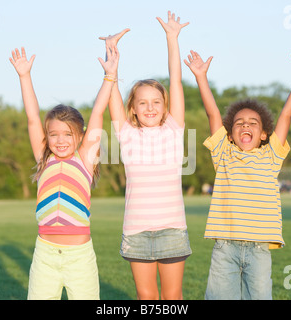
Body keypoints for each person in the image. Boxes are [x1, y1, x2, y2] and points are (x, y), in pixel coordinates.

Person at [185, 48, 291, 299]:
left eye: (253, 123)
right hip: (225, 248)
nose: (245, 124)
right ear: (231, 133)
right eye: (239, 122)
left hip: (259, 250)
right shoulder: (223, 153)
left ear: (264, 134)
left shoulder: (271, 155)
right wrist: (201, 77)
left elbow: (287, 114)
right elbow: (213, 113)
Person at [9, 44, 120, 299]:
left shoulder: (84, 160)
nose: (60, 140)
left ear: (80, 136)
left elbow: (98, 112)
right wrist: (25, 76)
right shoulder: (43, 161)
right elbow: (33, 118)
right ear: (46, 138)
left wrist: (110, 77)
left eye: (68, 134)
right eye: (54, 135)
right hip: (45, 254)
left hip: (79, 257)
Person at [100, 11, 192, 300]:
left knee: (173, 296)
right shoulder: (126, 134)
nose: (150, 108)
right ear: (133, 108)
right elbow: (111, 89)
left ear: (165, 107)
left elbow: (175, 81)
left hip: (172, 228)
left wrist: (172, 38)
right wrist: (111, 54)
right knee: (146, 296)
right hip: (137, 232)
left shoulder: (174, 129)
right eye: (143, 103)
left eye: (156, 102)